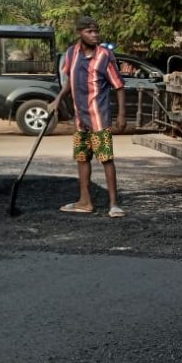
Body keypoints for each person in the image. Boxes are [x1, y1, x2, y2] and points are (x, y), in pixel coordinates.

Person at [48, 15, 127, 217]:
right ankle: (85, 202)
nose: (94, 35)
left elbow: (118, 85)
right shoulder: (71, 54)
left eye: (96, 31)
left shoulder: (105, 55)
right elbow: (69, 82)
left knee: (106, 159)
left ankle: (114, 204)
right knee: (82, 159)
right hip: (80, 119)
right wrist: (57, 100)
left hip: (99, 117)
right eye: (89, 32)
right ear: (79, 33)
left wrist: (121, 115)